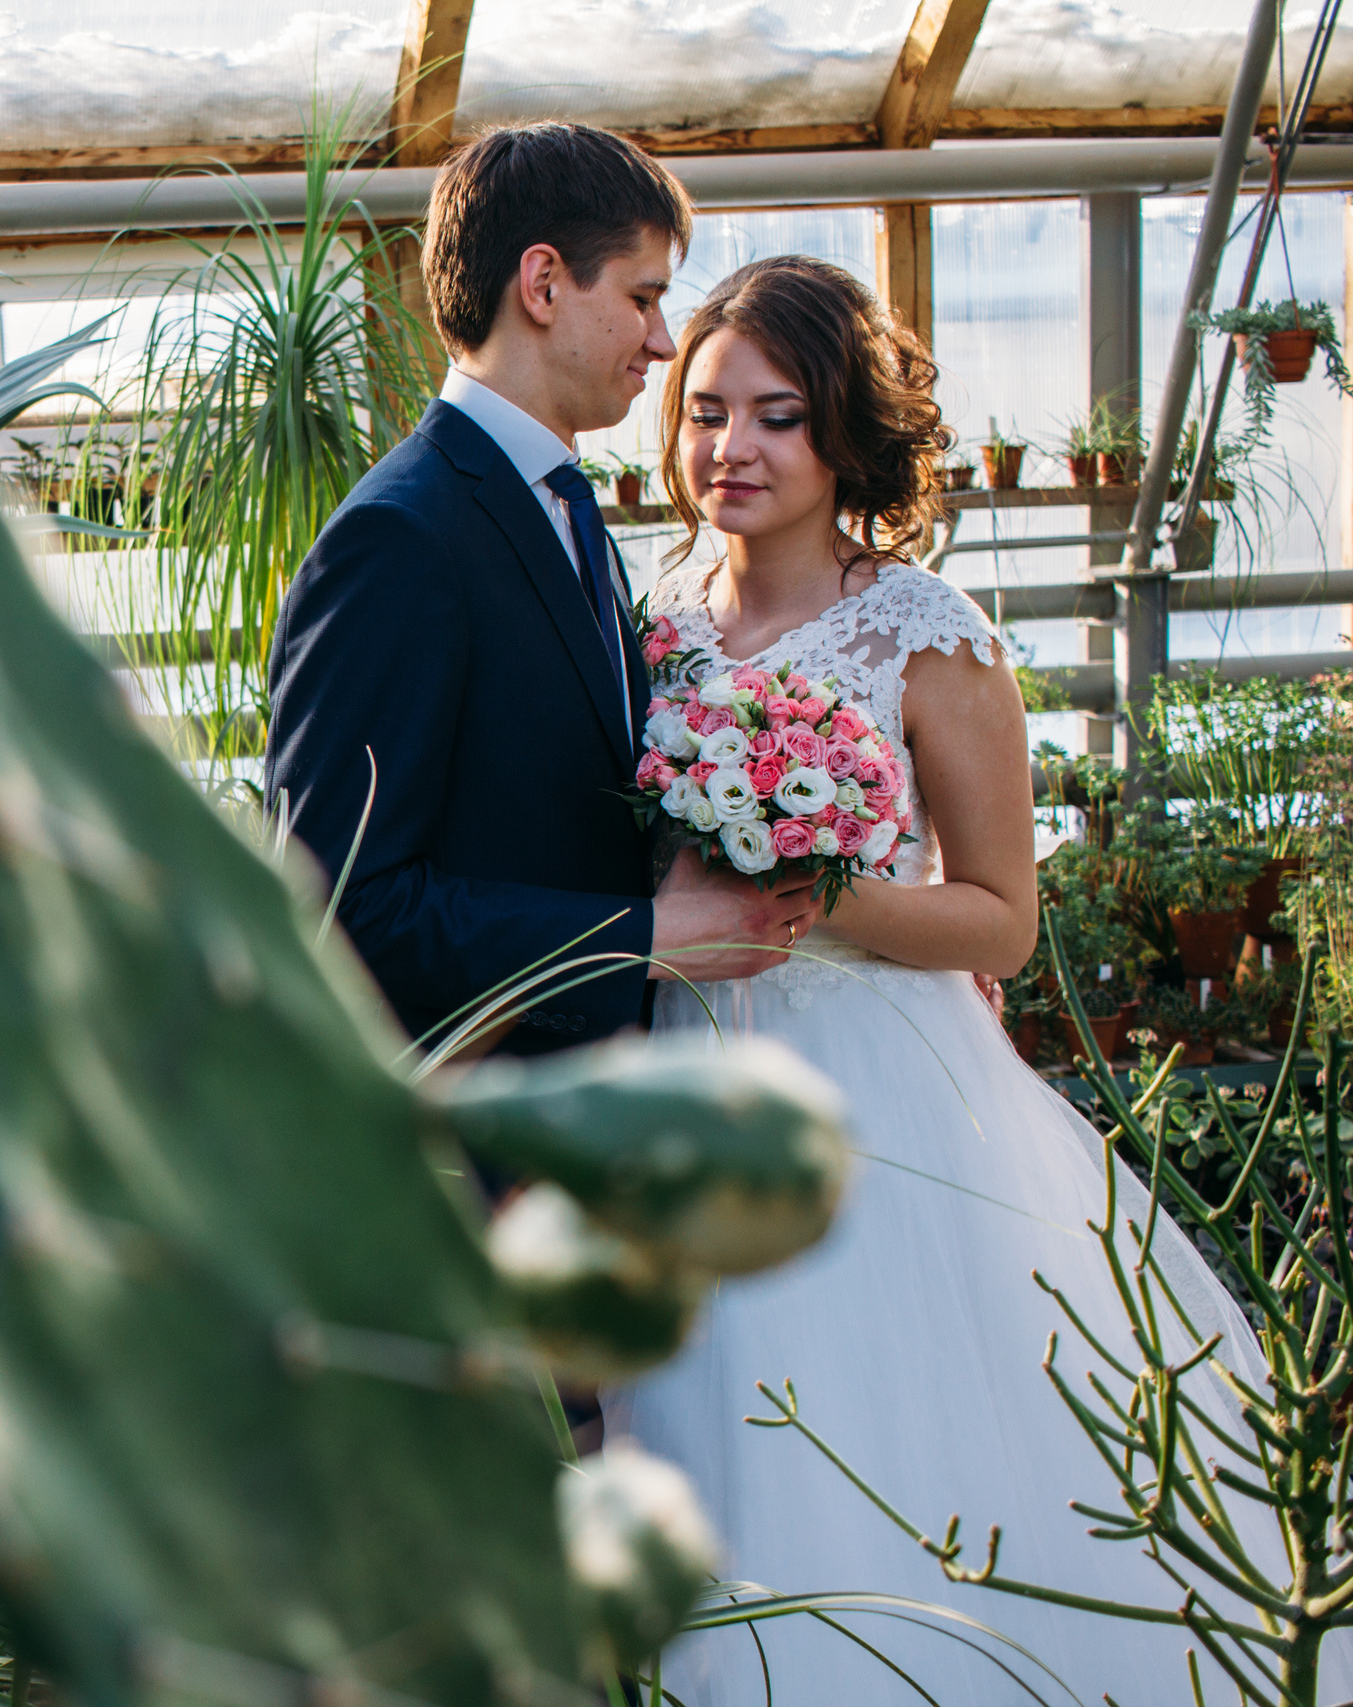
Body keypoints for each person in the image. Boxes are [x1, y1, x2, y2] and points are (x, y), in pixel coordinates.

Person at [605, 255, 1334, 1701]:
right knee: (688, 1437)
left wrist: (808, 896)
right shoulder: (653, 617)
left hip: (880, 1092)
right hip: (677, 1066)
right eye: (702, 413)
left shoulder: (927, 635)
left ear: (844, 439)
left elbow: (1001, 919)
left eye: (776, 416)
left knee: (884, 1425)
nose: (728, 450)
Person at [264, 123, 819, 1059]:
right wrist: (646, 937)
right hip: (477, 1140)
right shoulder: (398, 536)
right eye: (643, 296)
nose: (662, 339)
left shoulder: (563, 504)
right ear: (545, 284)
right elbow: (340, 906)